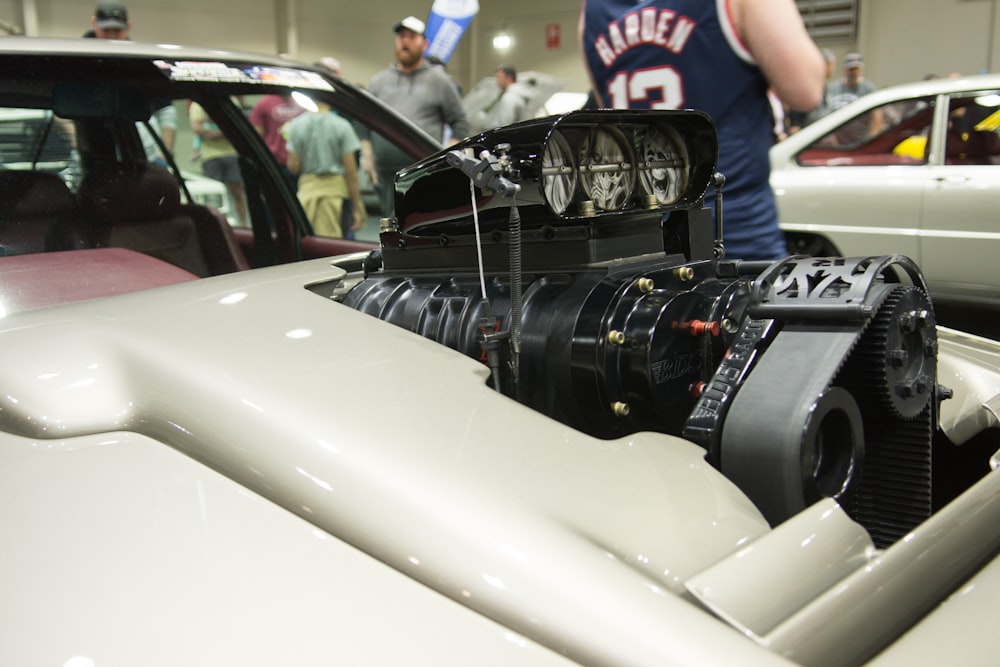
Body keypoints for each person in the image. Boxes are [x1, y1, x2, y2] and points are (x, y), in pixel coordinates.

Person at [580, 0, 825, 261]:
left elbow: (608, 114)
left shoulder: (591, 12)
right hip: (733, 232)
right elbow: (806, 91)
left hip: (638, 237)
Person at [364, 15, 470, 216]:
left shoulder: (440, 81)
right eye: (401, 36)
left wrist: (447, 156)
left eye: (411, 37)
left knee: (419, 231)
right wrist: (367, 155)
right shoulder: (379, 82)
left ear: (424, 44)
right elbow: (364, 121)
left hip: (423, 174)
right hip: (386, 174)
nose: (405, 41)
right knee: (388, 230)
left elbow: (460, 121)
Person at [83, 1, 176, 160]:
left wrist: (165, 153)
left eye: (117, 30)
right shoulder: (77, 62)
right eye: (106, 30)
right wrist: (77, 139)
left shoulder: (141, 64)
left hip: (146, 156)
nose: (111, 36)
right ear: (94, 23)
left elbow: (165, 109)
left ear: (128, 26)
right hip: (91, 155)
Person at [284, 99, 365, 238]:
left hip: (306, 194)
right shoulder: (342, 125)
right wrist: (357, 207)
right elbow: (351, 172)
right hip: (336, 196)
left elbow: (293, 168)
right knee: (335, 245)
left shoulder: (295, 125)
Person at [189, 101, 248, 226]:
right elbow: (196, 128)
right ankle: (214, 225)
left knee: (237, 191)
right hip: (209, 156)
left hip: (231, 153)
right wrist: (224, 133)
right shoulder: (197, 105)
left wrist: (214, 134)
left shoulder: (232, 101)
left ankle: (244, 224)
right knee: (212, 194)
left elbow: (237, 126)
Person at [249, 93, 305, 188]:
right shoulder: (264, 103)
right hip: (275, 162)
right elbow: (256, 136)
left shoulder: (304, 102)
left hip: (302, 162)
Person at [827, 52, 881, 144]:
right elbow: (826, 115)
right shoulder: (833, 89)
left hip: (861, 142)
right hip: (837, 143)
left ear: (861, 69)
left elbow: (877, 117)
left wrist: (873, 140)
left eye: (856, 69)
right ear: (844, 69)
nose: (853, 72)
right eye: (850, 69)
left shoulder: (869, 88)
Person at [788, 48, 836, 133]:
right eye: (829, 64)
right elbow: (795, 126)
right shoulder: (806, 89)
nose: (831, 68)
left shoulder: (827, 89)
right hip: (809, 139)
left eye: (832, 65)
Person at [472, 64, 532, 133]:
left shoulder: (509, 97)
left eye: (499, 77)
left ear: (509, 78)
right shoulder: (521, 95)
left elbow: (505, 126)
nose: (497, 81)